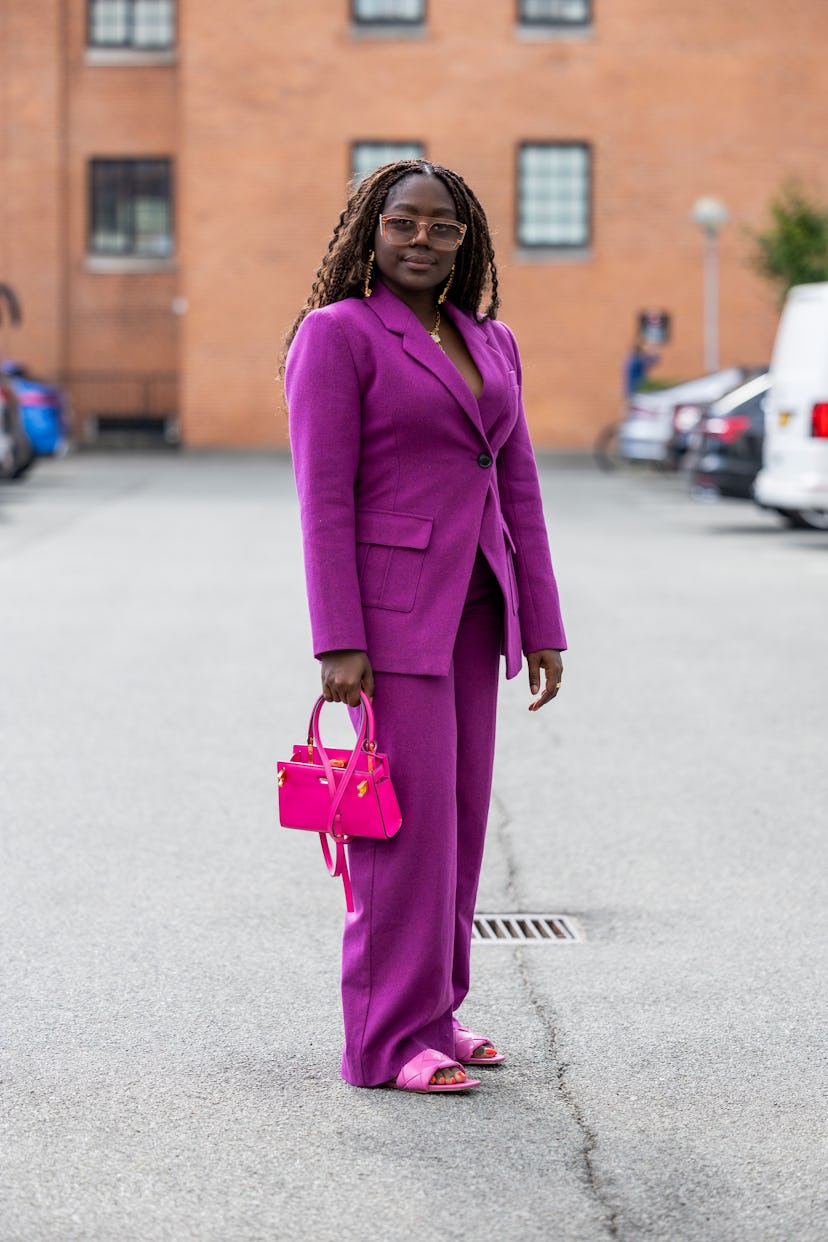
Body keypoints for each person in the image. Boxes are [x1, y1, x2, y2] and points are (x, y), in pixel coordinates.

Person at [283, 159, 566, 1095]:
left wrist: (543, 623)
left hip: (477, 608)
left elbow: (516, 484)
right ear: (371, 230)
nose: (422, 241)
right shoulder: (338, 335)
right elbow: (322, 499)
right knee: (400, 838)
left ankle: (435, 1011)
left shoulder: (492, 340)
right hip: (391, 618)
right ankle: (384, 1040)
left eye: (443, 228)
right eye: (403, 222)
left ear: (466, 243)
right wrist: (338, 637)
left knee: (458, 825)